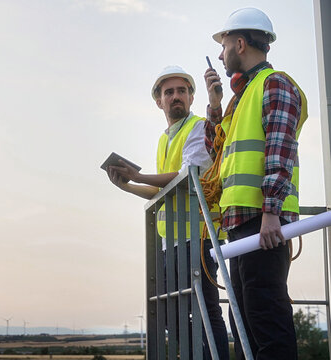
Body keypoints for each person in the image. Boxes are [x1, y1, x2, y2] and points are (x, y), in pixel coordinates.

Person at [204, 7, 308, 360]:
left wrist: (270, 214)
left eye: (224, 45)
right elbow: (217, 155)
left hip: (262, 223)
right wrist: (216, 107)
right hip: (241, 224)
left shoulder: (274, 83)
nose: (221, 54)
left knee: (265, 316)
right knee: (244, 321)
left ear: (241, 43)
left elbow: (280, 153)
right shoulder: (241, 96)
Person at [107, 65, 229, 359]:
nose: (176, 97)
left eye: (182, 91)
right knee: (168, 314)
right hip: (170, 242)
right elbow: (164, 193)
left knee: (205, 308)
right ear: (159, 101)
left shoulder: (199, 127)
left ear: (190, 97)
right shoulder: (164, 139)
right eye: (169, 92)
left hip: (198, 236)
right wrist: (129, 186)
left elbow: (188, 175)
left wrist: (139, 176)